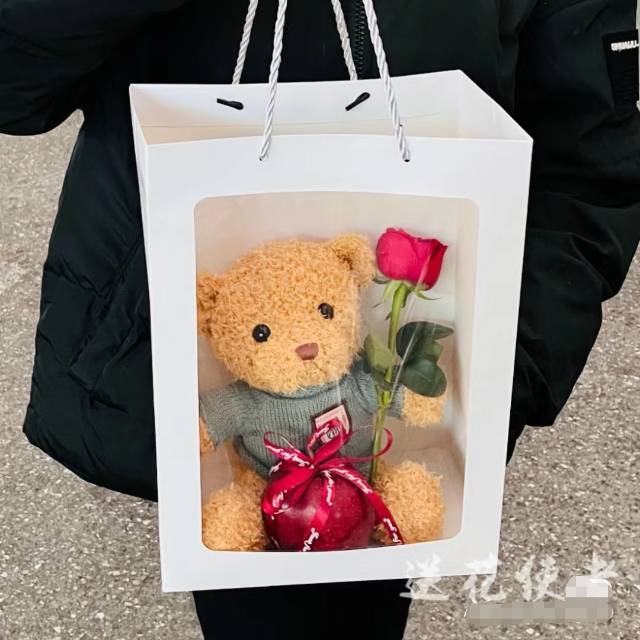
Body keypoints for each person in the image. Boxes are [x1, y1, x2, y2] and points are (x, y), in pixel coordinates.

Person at [1, 1, 638, 638]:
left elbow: (591, 142)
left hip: (383, 421)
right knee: (246, 582)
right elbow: (15, 82)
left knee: (352, 596)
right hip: (161, 331)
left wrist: (500, 368)